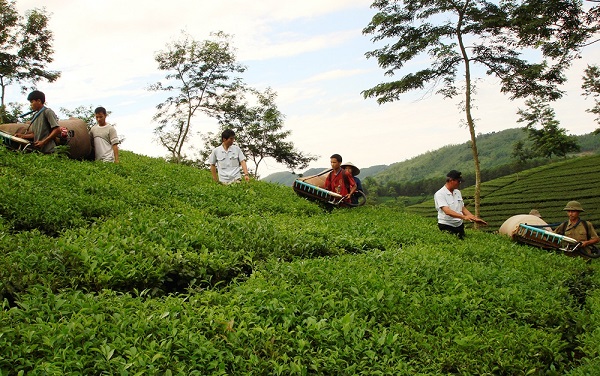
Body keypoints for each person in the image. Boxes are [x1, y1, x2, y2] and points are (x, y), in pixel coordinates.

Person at [434, 170, 487, 239]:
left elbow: (462, 208)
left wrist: (474, 218)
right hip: (446, 225)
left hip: (459, 225)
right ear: (451, 180)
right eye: (458, 181)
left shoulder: (457, 192)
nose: (460, 183)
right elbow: (447, 211)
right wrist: (464, 217)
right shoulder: (440, 194)